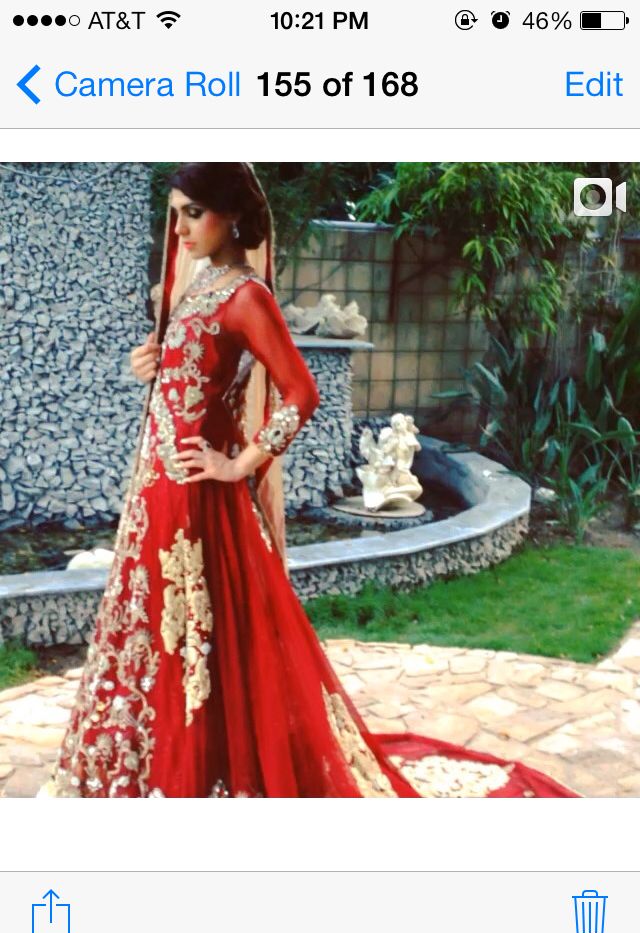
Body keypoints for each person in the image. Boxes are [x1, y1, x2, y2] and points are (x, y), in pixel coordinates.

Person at [45, 163, 577, 797]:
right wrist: (153, 363)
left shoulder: (247, 296)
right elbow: (198, 378)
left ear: (232, 216)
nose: (179, 228)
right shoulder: (199, 284)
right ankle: (164, 770)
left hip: (196, 495)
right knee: (165, 634)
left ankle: (208, 776)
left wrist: (240, 464)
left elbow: (301, 391)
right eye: (176, 213)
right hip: (157, 491)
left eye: (193, 213)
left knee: (204, 637)